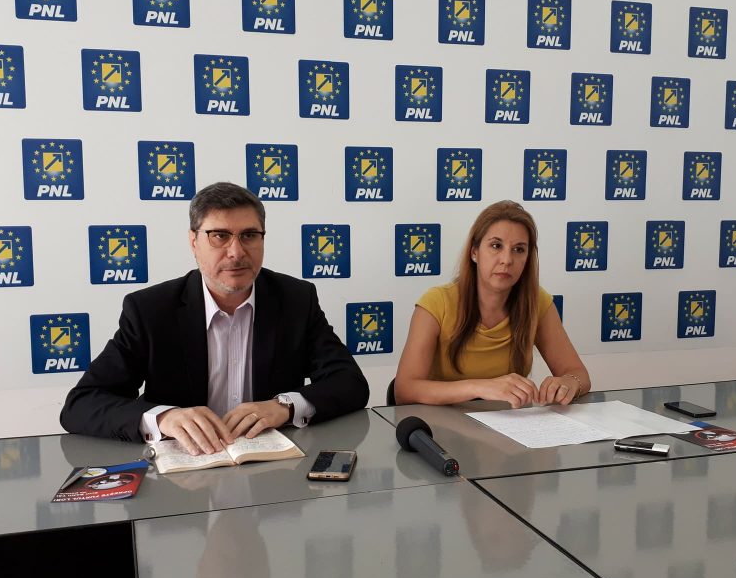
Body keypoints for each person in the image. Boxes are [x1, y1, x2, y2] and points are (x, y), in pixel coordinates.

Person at [61, 182, 369, 453]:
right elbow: (81, 404)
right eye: (219, 236)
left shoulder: (296, 300)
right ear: (194, 242)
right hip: (183, 476)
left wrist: (285, 406)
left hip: (272, 469)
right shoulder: (151, 309)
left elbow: (350, 383)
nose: (236, 252)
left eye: (249, 235)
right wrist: (164, 417)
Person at [394, 200, 589, 408]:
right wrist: (479, 388)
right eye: (496, 246)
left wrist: (569, 383)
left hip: (508, 424)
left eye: (519, 249)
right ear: (474, 252)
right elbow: (405, 390)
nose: (507, 259)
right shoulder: (436, 303)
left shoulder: (538, 303)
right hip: (441, 423)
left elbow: (578, 374)